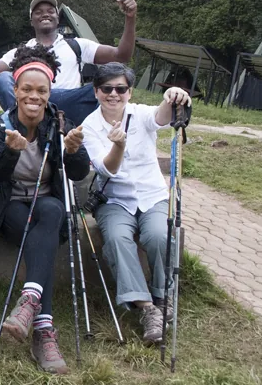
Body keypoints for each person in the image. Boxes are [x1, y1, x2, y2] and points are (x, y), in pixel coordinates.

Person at [0, 45, 90, 375]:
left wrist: (72, 152)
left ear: (49, 92)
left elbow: (79, 173)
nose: (34, 96)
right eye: (26, 89)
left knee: (53, 210)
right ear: (14, 91)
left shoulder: (59, 122)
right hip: (9, 207)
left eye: (41, 90)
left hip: (46, 204)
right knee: (40, 234)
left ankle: (28, 303)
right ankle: (44, 331)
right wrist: (11, 153)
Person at [81, 62, 191, 345]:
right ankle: (147, 309)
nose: (114, 94)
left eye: (121, 88)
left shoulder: (140, 113)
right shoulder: (90, 127)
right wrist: (118, 146)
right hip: (115, 200)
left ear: (129, 92)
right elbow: (108, 170)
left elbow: (160, 117)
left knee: (158, 234)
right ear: (96, 92)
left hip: (152, 195)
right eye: (107, 88)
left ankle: (163, 296)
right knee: (117, 239)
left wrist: (172, 96)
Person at [0, 0, 139, 125]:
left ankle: (92, 129)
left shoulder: (77, 45)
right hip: (31, 101)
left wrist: (130, 18)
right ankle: (25, 124)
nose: (45, 14)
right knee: (2, 79)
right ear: (31, 21)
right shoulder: (20, 51)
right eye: (38, 12)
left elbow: (121, 56)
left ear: (57, 18)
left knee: (104, 87)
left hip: (67, 103)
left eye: (50, 11)